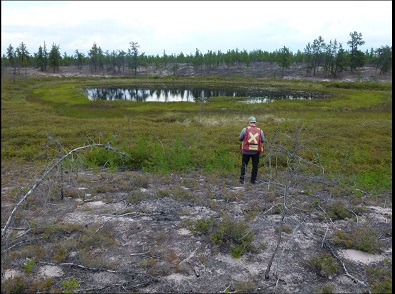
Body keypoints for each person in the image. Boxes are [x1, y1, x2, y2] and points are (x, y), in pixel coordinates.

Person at [239, 116, 265, 184]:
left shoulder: (245, 130)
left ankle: (242, 180)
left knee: (244, 165)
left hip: (246, 151)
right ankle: (253, 181)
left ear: (248, 122)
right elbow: (263, 140)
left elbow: (240, 138)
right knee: (255, 166)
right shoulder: (260, 130)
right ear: (255, 123)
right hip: (256, 152)